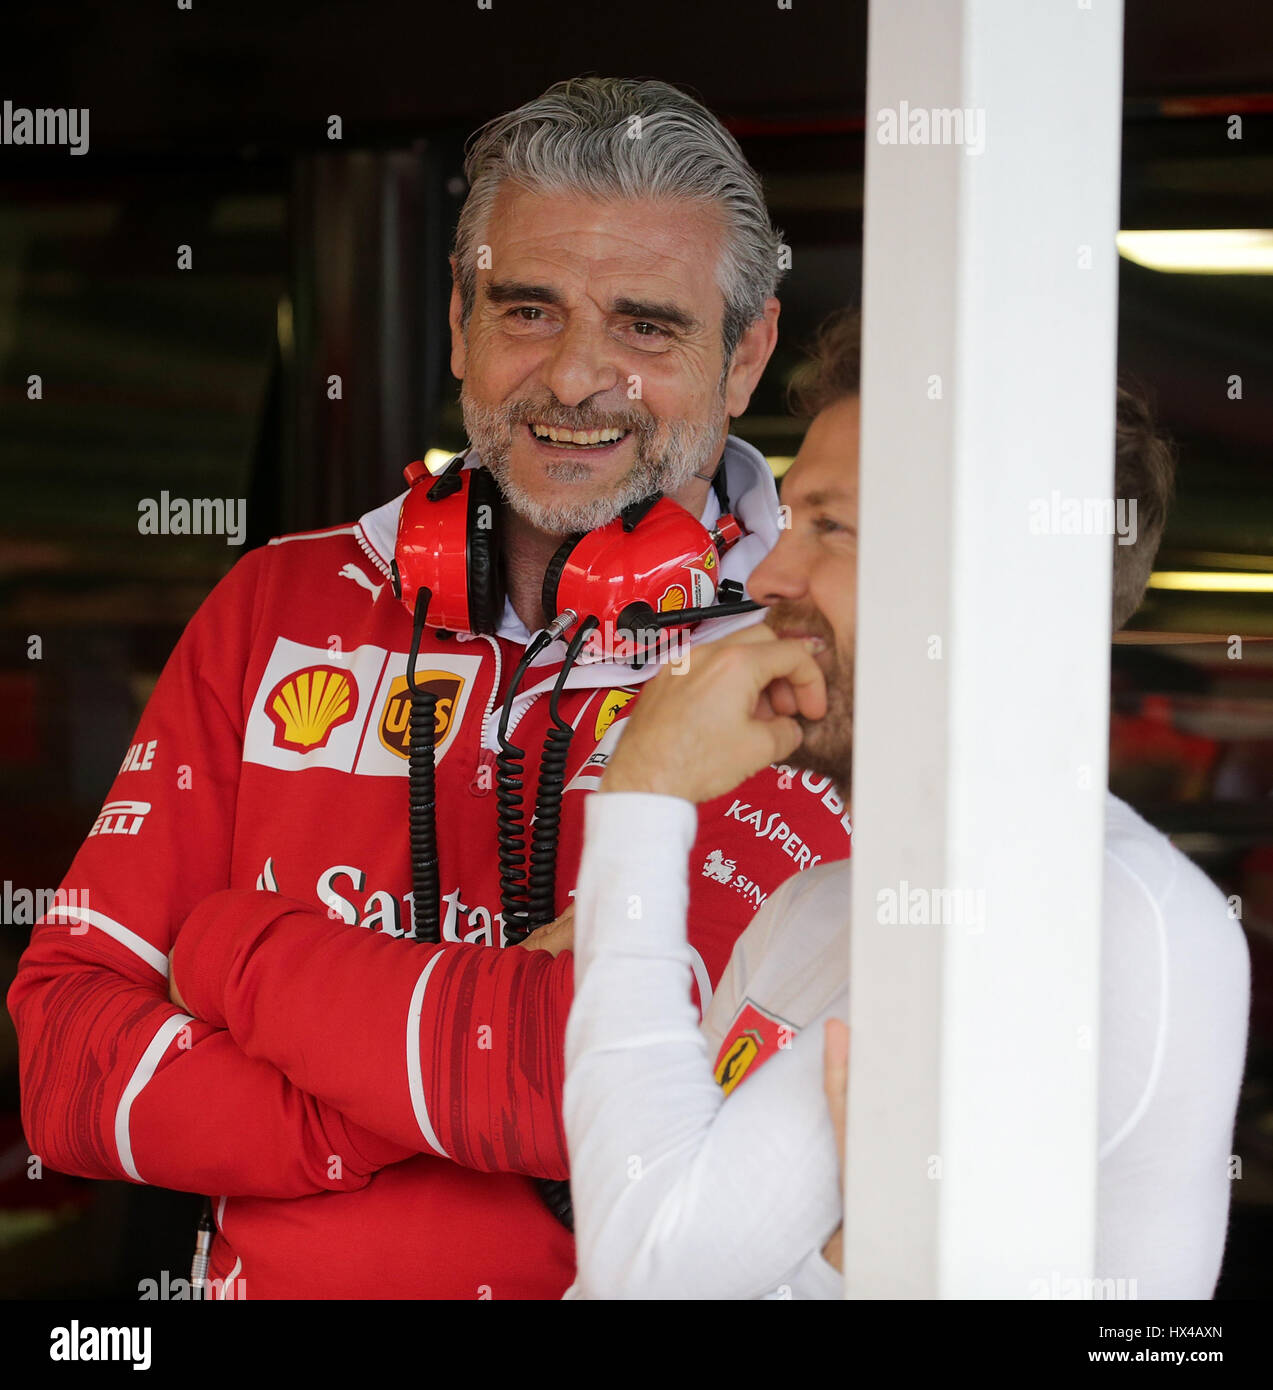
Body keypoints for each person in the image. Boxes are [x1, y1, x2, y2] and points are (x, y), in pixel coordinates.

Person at [5, 79, 855, 1300]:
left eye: (646, 328)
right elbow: (66, 1070)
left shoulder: (812, 655)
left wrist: (236, 954)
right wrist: (451, 1055)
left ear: (747, 355)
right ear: (458, 322)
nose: (574, 377)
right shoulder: (277, 603)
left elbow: (578, 1084)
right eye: (527, 309)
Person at [561, 307, 1251, 1299]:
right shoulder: (815, 905)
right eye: (791, 519)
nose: (768, 575)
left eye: (833, 527)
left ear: (1002, 581)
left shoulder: (1097, 914)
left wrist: (643, 793)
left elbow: (650, 1269)